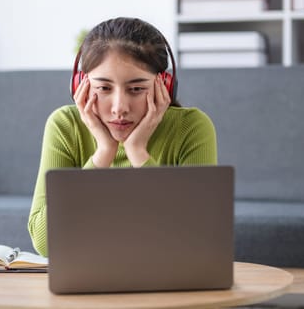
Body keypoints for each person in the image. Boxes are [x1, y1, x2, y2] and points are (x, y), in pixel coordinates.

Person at [28, 17, 217, 257]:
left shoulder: (191, 127)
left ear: (165, 86)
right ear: (80, 86)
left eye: (137, 89)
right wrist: (104, 152)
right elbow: (46, 243)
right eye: (104, 88)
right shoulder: (65, 125)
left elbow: (198, 237)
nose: (119, 108)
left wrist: (137, 151)